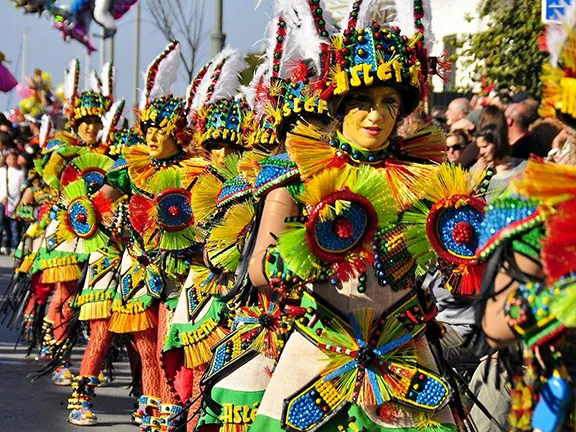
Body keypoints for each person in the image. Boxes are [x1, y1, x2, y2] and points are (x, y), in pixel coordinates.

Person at [475, 124, 526, 201]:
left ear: (498, 144)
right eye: (479, 147)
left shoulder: (523, 166)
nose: (481, 152)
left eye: (485, 147)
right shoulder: (479, 167)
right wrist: (477, 175)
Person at [0, 148, 25, 254]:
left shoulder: (20, 172)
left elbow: (21, 188)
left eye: (13, 159)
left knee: (14, 226)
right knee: (2, 224)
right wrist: (3, 197)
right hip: (3, 201)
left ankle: (14, 246)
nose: (11, 161)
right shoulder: (2, 171)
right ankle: (4, 244)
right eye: (9, 159)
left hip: (15, 202)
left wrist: (17, 202)